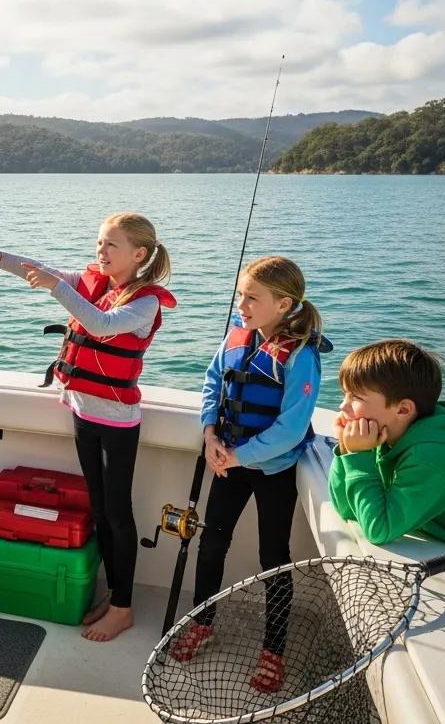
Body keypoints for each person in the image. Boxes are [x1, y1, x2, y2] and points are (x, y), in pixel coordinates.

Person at [0, 212, 176, 642]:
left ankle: (123, 608)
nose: (101, 251)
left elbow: (102, 325)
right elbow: (38, 269)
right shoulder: (93, 282)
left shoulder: (144, 302)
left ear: (139, 254)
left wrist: (56, 289)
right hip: (82, 411)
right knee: (99, 507)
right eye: (99, 242)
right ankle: (114, 596)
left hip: (116, 422)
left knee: (117, 514)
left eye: (111, 245)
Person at [171, 256, 327, 693]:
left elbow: (293, 427)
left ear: (283, 303)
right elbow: (211, 382)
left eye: (252, 297)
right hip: (227, 461)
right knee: (211, 544)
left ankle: (273, 651)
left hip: (271, 470)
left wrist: (237, 456)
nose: (242, 304)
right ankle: (202, 623)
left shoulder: (300, 355)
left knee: (272, 559)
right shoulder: (236, 338)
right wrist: (208, 434)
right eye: (241, 294)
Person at [329, 339, 445, 605]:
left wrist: (358, 455)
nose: (343, 407)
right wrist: (347, 451)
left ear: (403, 409)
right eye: (345, 394)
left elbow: (379, 529)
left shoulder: (431, 457)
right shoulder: (393, 436)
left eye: (356, 397)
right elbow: (346, 507)